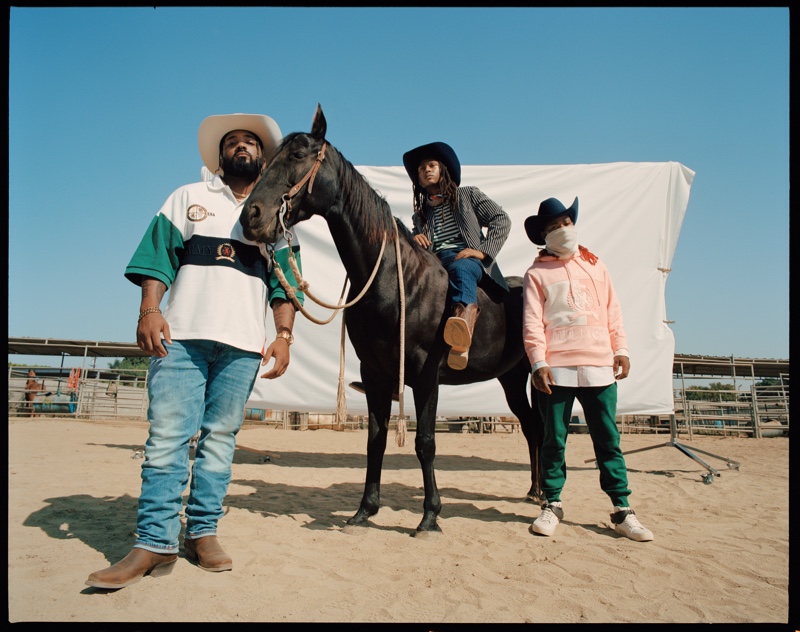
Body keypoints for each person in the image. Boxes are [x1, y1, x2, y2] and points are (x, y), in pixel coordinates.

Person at [86, 113, 305, 590]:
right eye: (233, 142)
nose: (242, 147)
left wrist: (284, 337)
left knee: (219, 442)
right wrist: (149, 310)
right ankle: (154, 542)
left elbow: (284, 286)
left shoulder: (277, 214)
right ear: (220, 155)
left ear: (263, 157)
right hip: (181, 336)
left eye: (251, 142)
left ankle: (202, 534)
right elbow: (156, 257)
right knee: (167, 437)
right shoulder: (187, 197)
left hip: (244, 345)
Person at [521, 196, 653, 542]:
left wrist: (621, 348)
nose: (562, 230)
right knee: (553, 441)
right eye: (553, 227)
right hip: (557, 368)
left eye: (565, 223)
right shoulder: (536, 273)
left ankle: (622, 509)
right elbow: (532, 323)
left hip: (599, 365)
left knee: (608, 440)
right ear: (543, 236)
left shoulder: (597, 266)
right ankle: (551, 503)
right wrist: (538, 362)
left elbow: (613, 311)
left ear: (573, 225)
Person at [403, 141, 511, 370]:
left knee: (460, 269)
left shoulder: (467, 195)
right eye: (421, 169)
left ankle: (461, 336)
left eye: (432, 165)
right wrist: (416, 240)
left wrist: (483, 252)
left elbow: (501, 219)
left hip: (464, 259)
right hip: (433, 261)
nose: (426, 170)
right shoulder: (420, 215)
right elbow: (417, 243)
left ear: (443, 169)